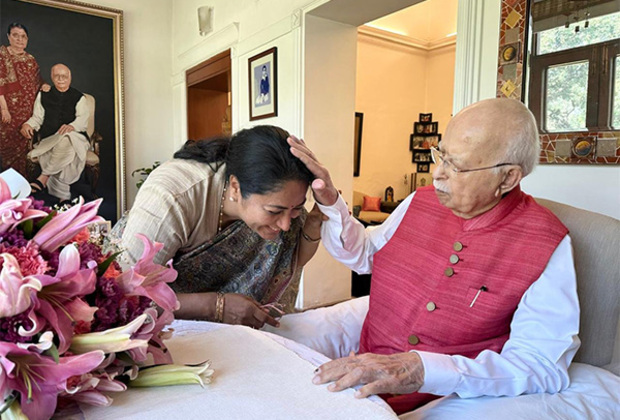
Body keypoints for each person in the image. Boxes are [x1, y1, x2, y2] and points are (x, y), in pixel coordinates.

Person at [288, 98, 580, 415]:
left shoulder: (547, 242)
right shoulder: (420, 200)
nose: (436, 174)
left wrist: (425, 369)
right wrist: (331, 201)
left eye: (455, 165)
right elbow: (365, 254)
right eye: (440, 155)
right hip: (362, 381)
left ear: (508, 178)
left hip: (443, 400)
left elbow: (540, 363)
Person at [114, 125, 323, 329]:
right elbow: (126, 295)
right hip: (156, 325)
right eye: (273, 211)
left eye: (296, 209)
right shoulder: (172, 197)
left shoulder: (284, 200)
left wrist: (313, 224)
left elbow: (289, 261)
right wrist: (216, 306)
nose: (286, 224)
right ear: (235, 187)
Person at [20, 63, 90, 202]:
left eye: (64, 76)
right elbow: (37, 118)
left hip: (77, 137)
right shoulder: (43, 95)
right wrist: (27, 124)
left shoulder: (79, 97)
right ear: (52, 77)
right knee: (65, 145)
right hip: (50, 139)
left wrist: (72, 126)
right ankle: (63, 199)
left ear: (70, 77)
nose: (61, 79)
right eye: (57, 76)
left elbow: (83, 119)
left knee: (67, 137)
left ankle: (43, 178)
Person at [0, 23, 46, 177]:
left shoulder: (30, 59)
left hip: (27, 111)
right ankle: (6, 188)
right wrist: (4, 109)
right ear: (8, 36)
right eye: (15, 35)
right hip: (6, 110)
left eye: (23, 36)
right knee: (7, 147)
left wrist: (45, 85)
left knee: (23, 147)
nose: (20, 39)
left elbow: (38, 80)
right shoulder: (2, 55)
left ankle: (20, 186)